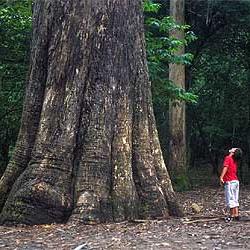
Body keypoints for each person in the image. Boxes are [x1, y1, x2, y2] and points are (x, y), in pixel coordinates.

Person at [220, 147, 243, 221]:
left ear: (233, 152)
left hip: (230, 182)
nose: (232, 148)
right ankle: (236, 215)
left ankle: (232, 216)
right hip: (236, 181)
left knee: (230, 199)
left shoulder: (228, 158)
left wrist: (221, 177)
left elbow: (225, 167)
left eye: (234, 148)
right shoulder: (234, 160)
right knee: (235, 198)